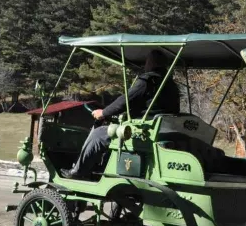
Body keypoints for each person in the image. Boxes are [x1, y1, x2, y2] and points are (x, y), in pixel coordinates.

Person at [61, 50, 180, 179]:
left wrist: (104, 112)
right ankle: (101, 167)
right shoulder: (171, 84)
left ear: (151, 63)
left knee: (98, 134)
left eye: (147, 61)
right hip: (162, 128)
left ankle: (79, 171)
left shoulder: (148, 81)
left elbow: (124, 101)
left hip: (144, 131)